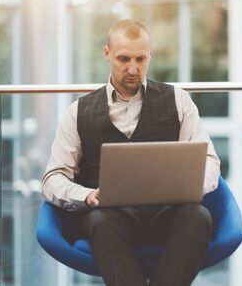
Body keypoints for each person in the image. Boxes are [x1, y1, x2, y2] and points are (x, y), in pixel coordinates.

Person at [41, 19, 221, 286]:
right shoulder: (78, 112)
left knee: (198, 217)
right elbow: (52, 178)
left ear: (150, 56)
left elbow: (209, 161)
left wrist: (192, 186)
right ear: (107, 54)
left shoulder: (178, 100)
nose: (133, 69)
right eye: (124, 58)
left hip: (167, 214)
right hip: (111, 220)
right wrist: (88, 195)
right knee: (100, 221)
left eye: (141, 58)